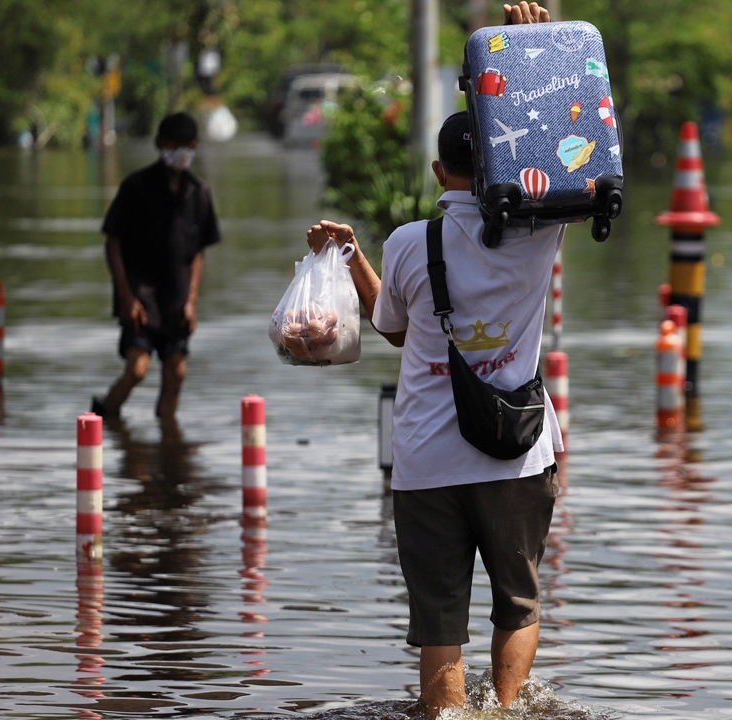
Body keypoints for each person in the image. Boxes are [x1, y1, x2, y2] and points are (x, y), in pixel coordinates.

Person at [305, 5, 557, 714]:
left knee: (438, 624)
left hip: (426, 460)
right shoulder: (539, 234)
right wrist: (533, 54)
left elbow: (390, 327)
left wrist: (352, 257)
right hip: (516, 455)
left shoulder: (412, 242)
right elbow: (567, 153)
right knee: (518, 604)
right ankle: (504, 712)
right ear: (501, 165)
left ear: (438, 169)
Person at [93, 112, 221, 420]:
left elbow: (198, 253)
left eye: (188, 145)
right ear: (160, 144)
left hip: (176, 299)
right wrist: (125, 296)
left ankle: (168, 445)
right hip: (140, 296)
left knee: (176, 373)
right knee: (137, 369)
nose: (181, 152)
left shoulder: (198, 193)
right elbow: (113, 242)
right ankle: (103, 418)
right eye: (175, 144)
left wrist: (191, 302)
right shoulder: (135, 188)